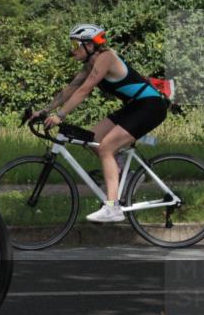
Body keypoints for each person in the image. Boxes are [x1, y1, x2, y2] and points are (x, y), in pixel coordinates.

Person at [34, 24, 168, 223]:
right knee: (93, 139)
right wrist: (44, 111)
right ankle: (127, 175)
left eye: (76, 44)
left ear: (89, 45)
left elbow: (84, 90)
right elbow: (70, 89)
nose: (73, 49)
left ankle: (113, 208)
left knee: (106, 148)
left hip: (151, 107)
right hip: (135, 106)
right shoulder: (90, 64)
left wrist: (60, 115)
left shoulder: (106, 58)